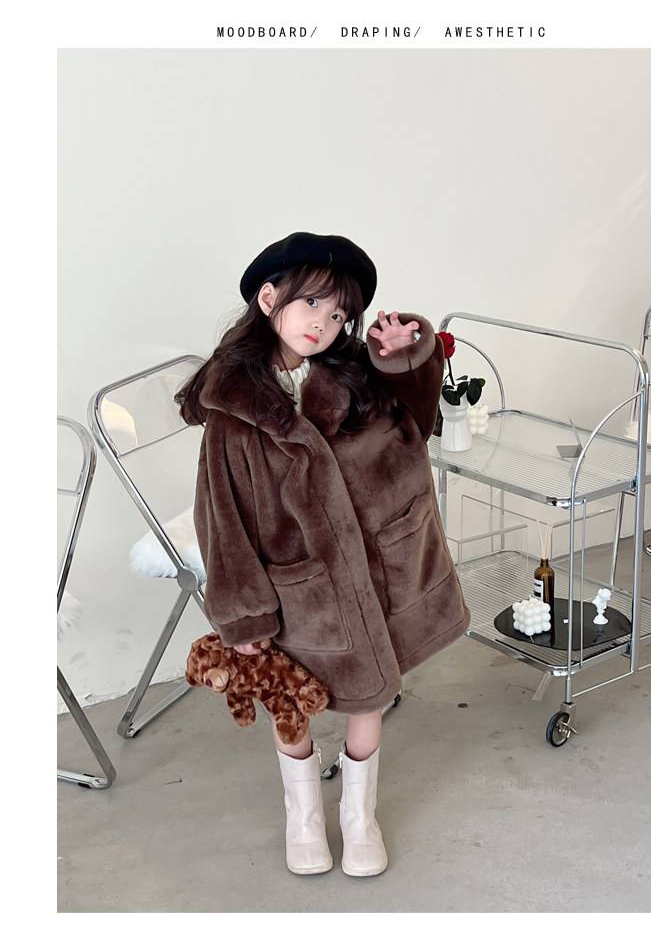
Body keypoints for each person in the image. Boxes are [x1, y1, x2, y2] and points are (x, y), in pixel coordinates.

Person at [178, 231, 470, 877]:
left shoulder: (353, 374)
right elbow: (222, 515)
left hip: (374, 569)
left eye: (338, 313)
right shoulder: (234, 408)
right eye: (311, 303)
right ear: (268, 299)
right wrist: (243, 616)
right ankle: (304, 816)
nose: (324, 323)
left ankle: (359, 818)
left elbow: (418, 424)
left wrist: (406, 360)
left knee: (369, 694)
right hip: (297, 585)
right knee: (291, 701)